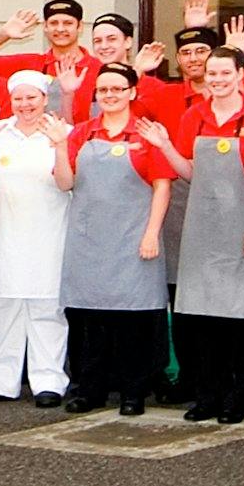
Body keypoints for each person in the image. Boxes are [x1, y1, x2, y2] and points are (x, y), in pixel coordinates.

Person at [57, 64, 180, 415]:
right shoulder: (81, 133)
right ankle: (89, 390)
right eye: (103, 90)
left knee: (134, 322)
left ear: (132, 92)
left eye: (117, 89)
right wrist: (57, 146)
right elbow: (65, 183)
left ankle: (133, 392)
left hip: (134, 239)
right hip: (89, 241)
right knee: (91, 322)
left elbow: (162, 185)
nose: (109, 95)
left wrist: (152, 233)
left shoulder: (145, 134)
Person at [171, 46, 244, 425]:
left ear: (240, 75)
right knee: (203, 318)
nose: (217, 80)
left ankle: (239, 396)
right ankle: (207, 396)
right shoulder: (194, 115)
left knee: (240, 319)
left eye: (224, 74)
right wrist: (165, 147)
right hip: (203, 227)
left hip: (242, 224)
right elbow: (188, 170)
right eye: (212, 74)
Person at [0, 68, 73, 405]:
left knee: (47, 308)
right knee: (3, 306)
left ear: (45, 99)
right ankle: (1, 380)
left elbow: (68, 181)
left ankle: (49, 380)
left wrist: (61, 146)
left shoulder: (64, 133)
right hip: (3, 233)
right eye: (18, 98)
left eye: (32, 97)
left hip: (49, 235)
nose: (25, 104)